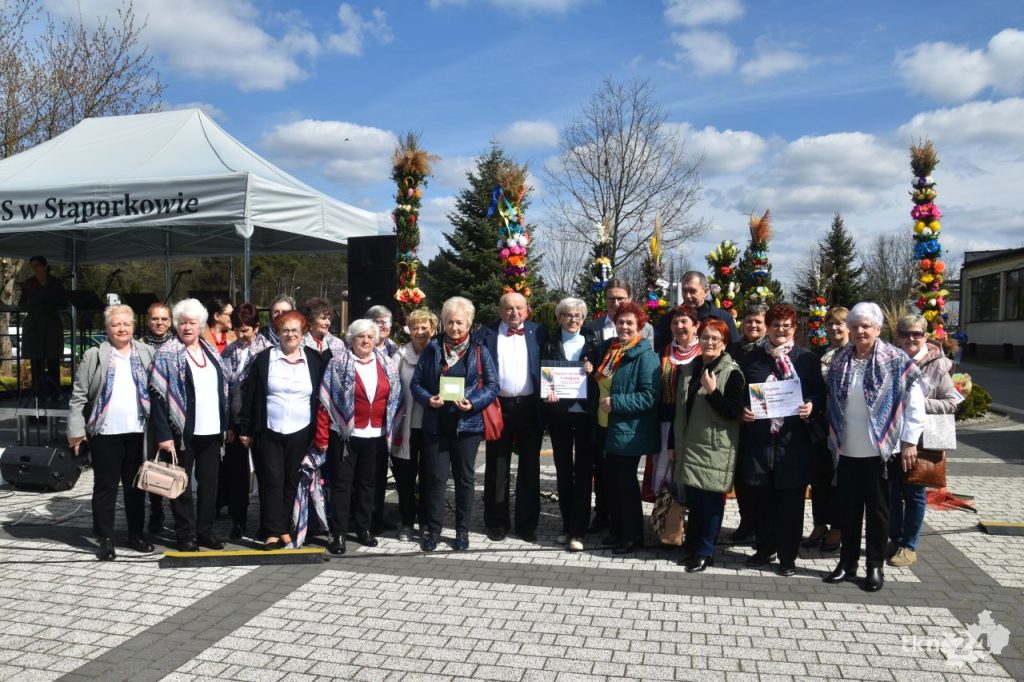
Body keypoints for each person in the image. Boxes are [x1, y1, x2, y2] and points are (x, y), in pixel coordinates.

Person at [823, 302, 925, 592]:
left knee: (879, 512)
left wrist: (909, 441)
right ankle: (847, 563)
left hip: (881, 451)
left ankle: (874, 567)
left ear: (878, 329)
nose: (860, 331)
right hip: (847, 448)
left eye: (866, 326)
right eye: (855, 326)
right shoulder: (840, 359)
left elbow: (914, 404)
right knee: (848, 510)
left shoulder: (896, 359)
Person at [738, 304, 825, 576]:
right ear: (768, 327)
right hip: (760, 442)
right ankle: (765, 549)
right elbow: (740, 393)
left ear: (794, 328)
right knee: (761, 500)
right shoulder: (753, 359)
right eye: (775, 325)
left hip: (792, 444)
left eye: (786, 325)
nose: (781, 330)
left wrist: (811, 405)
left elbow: (820, 393)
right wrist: (743, 410)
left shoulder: (807, 359)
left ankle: (788, 557)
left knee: (791, 504)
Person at [68, 305, 156, 560]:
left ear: (133, 326)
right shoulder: (94, 355)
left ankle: (136, 534)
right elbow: (78, 396)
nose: (122, 329)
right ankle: (105, 538)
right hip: (105, 432)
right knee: (105, 487)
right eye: (116, 324)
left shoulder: (147, 352)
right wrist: (76, 431)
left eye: (126, 324)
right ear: (107, 328)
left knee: (136, 487)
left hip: (138, 432)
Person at [411, 296, 499, 552]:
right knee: (435, 480)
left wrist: (473, 402)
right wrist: (428, 399)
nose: (455, 327)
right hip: (436, 425)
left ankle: (462, 531)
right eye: (450, 322)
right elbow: (416, 384)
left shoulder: (480, 350)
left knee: (464, 480)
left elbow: (493, 385)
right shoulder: (432, 348)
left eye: (460, 322)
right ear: (443, 322)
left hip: (467, 425)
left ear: (469, 323)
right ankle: (433, 530)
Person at [149, 298, 229, 552]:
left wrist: (225, 425)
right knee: (179, 486)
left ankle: (205, 531)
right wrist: (163, 435)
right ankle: (185, 534)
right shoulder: (166, 354)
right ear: (176, 324)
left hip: (211, 431)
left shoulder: (210, 351)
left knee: (210, 485)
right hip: (180, 433)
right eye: (182, 322)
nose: (187, 327)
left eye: (192, 323)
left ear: (200, 324)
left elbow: (222, 391)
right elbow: (157, 398)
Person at [316, 318, 401, 555]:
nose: (365, 341)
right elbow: (325, 401)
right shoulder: (338, 363)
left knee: (368, 484)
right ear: (351, 339)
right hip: (345, 435)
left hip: (376, 434)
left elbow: (395, 397)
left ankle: (364, 528)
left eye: (370, 336)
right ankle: (339, 533)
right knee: (342, 485)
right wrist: (322, 436)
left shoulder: (387, 363)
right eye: (360, 336)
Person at [239, 310, 323, 549]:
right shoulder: (265, 359)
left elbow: (321, 397)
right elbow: (251, 395)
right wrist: (246, 428)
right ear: (277, 333)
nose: (290, 335)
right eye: (285, 330)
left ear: (303, 333)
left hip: (302, 431)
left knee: (291, 480)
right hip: (269, 430)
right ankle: (271, 531)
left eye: (295, 330)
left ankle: (285, 527)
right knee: (272, 480)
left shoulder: (314, 359)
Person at [670, 318, 745, 572]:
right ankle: (692, 548)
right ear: (698, 340)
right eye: (705, 337)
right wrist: (672, 443)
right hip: (689, 445)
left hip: (714, 448)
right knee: (695, 502)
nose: (709, 342)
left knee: (711, 503)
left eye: (715, 338)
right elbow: (680, 410)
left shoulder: (731, 372)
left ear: (724, 343)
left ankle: (705, 552)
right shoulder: (689, 369)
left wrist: (713, 393)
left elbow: (734, 412)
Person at [889, 313, 958, 568]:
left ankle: (909, 545)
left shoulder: (938, 364)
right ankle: (895, 539)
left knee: (914, 492)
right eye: (905, 334)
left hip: (922, 439)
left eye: (916, 334)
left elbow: (951, 403)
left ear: (925, 336)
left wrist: (916, 402)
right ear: (897, 336)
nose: (911, 338)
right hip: (892, 437)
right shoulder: (891, 360)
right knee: (892, 492)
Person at [478, 292, 548, 543]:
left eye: (519, 308)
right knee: (497, 467)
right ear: (500, 311)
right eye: (509, 308)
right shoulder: (485, 334)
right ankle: (497, 523)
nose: (514, 313)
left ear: (527, 310)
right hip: (498, 406)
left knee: (530, 468)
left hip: (530, 407)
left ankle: (527, 525)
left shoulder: (539, 332)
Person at [586, 278, 653, 534]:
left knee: (625, 485)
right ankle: (616, 532)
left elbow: (649, 396)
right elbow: (601, 380)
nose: (624, 326)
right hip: (605, 427)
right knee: (610, 483)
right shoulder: (609, 349)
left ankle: (631, 537)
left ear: (639, 326)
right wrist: (589, 370)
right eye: (621, 322)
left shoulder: (644, 355)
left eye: (629, 323)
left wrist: (617, 402)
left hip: (626, 429)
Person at [541, 297, 597, 552]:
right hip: (559, 414)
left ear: (583, 319)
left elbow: (602, 377)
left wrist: (592, 371)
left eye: (578, 315)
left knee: (584, 473)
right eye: (567, 315)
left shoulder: (593, 344)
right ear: (559, 318)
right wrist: (547, 394)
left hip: (586, 415)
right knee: (563, 471)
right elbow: (544, 374)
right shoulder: (549, 343)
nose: (573, 320)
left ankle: (579, 531)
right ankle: (566, 526)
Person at [220, 303, 271, 540]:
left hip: (260, 422)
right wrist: (229, 424)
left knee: (264, 473)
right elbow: (224, 390)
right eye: (237, 330)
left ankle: (266, 522)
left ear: (256, 327)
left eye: (246, 330)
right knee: (237, 474)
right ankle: (238, 521)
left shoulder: (267, 352)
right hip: (235, 420)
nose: (241, 335)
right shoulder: (228, 351)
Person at [391, 308, 438, 541]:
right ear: (409, 330)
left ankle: (428, 521)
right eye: (415, 327)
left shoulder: (439, 353)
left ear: (433, 330)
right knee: (405, 479)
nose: (420, 332)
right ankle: (407, 522)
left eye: (424, 327)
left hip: (432, 426)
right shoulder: (400, 355)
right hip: (405, 426)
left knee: (430, 476)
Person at [805, 306, 850, 552]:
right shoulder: (818, 354)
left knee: (840, 479)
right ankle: (820, 524)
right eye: (830, 323)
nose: (834, 328)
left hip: (846, 428)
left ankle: (838, 527)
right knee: (819, 478)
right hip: (820, 426)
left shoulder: (856, 353)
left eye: (839, 323)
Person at [726, 302, 769, 546]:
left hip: (762, 423)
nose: (752, 325)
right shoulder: (733, 348)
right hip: (736, 418)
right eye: (749, 321)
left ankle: (761, 523)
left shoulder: (769, 350)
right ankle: (746, 521)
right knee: (740, 475)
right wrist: (738, 409)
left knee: (757, 476)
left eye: (758, 322)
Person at [651, 304, 700, 501]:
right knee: (668, 474)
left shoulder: (705, 352)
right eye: (675, 323)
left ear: (696, 325)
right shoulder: (663, 352)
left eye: (684, 321)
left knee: (693, 472)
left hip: (696, 424)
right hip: (666, 422)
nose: (679, 326)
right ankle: (670, 516)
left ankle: (694, 513)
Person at [141, 301, 175, 535]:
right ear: (148, 320)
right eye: (155, 319)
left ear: (170, 322)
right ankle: (156, 511)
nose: (159, 323)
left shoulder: (177, 345)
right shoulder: (139, 345)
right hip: (148, 415)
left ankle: (178, 512)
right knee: (154, 464)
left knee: (174, 464)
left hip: (173, 413)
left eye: (164, 319)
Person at [365, 303, 400, 531]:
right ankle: (364, 516)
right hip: (365, 421)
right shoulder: (360, 347)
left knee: (379, 471)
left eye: (388, 321)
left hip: (388, 421)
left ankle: (377, 513)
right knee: (365, 474)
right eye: (380, 322)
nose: (385, 326)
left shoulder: (395, 350)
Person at [19, 255, 68, 401]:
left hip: (51, 324)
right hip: (34, 324)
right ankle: (38, 394)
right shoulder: (29, 283)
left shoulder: (55, 283)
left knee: (53, 359)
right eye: (32, 266)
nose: (35, 269)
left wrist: (49, 303)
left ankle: (54, 394)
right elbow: (22, 304)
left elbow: (64, 303)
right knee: (36, 359)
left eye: (37, 265)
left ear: (45, 266)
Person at [654, 271, 739, 352]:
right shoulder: (671, 318)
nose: (687, 296)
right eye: (684, 290)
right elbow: (660, 349)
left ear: (706, 291)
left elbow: (734, 350)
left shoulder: (723, 318)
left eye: (692, 291)